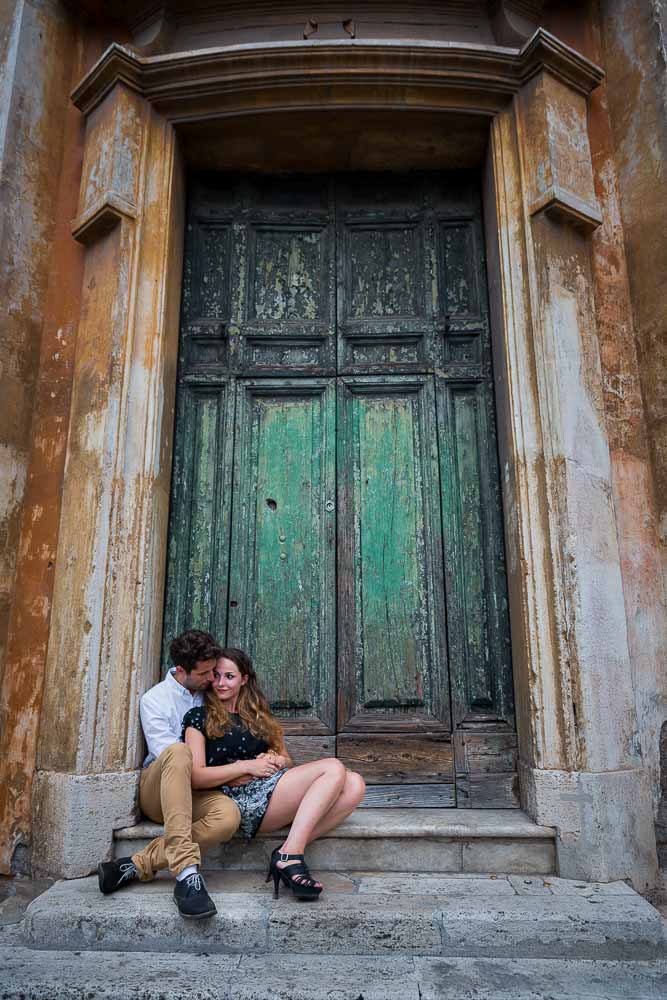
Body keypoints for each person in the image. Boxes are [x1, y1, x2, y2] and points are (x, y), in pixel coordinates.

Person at [182, 647, 366, 900]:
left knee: (355, 783)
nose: (220, 683)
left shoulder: (259, 716)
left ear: (244, 679)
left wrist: (276, 760)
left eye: (229, 676)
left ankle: (289, 850)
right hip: (238, 801)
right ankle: (289, 858)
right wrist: (245, 767)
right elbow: (196, 777)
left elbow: (287, 761)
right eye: (216, 676)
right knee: (333, 766)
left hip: (271, 790)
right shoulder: (197, 717)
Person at [96, 630, 241, 918]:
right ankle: (187, 876)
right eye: (205, 673)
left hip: (196, 791)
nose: (213, 679)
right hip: (157, 791)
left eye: (215, 671)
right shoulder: (154, 700)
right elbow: (176, 762)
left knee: (228, 816)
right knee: (178, 752)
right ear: (181, 670)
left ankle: (134, 865)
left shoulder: (210, 694)